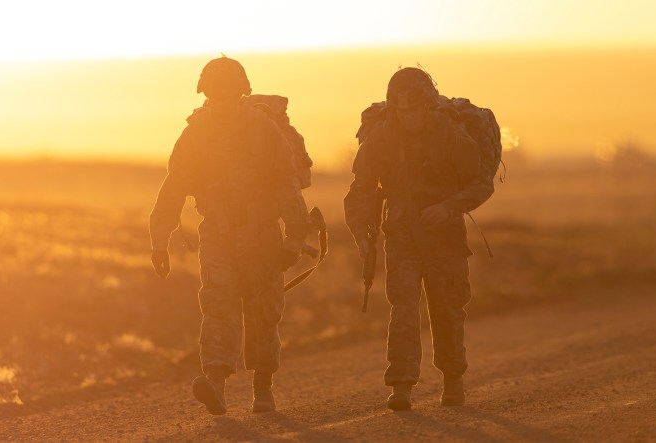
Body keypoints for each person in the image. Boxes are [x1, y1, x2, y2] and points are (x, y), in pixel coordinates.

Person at [149, 56, 311, 415]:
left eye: (227, 92)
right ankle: (216, 383)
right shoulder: (196, 132)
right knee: (217, 305)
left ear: (241, 92)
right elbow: (174, 187)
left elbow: (287, 185)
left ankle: (263, 388)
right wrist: (159, 240)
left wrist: (294, 239)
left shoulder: (263, 129)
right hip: (217, 236)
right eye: (214, 93)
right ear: (206, 93)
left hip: (261, 235)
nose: (220, 100)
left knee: (263, 312)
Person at [344, 67, 495, 411]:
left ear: (427, 106)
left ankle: (452, 379)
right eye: (401, 110)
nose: (408, 116)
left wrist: (449, 207)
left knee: (447, 307)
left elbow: (480, 182)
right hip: (401, 234)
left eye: (413, 109)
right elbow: (362, 188)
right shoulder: (382, 136)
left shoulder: (450, 133)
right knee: (404, 308)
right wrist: (360, 232)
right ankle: (402, 384)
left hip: (444, 235)